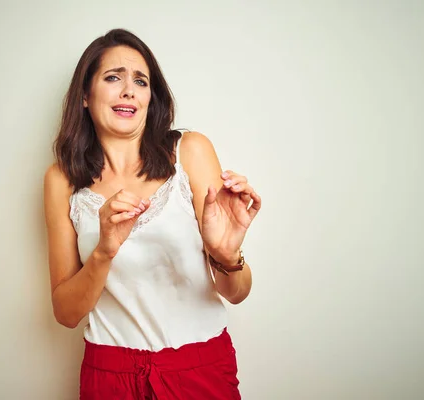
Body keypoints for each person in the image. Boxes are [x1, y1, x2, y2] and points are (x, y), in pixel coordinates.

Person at [43, 28, 261, 400]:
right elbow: (66, 313)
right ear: (85, 95)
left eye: (140, 81)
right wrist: (104, 252)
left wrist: (226, 255)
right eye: (113, 77)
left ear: (150, 96)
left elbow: (236, 293)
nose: (129, 90)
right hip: (109, 375)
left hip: (201, 368)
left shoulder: (190, 151)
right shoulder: (62, 179)